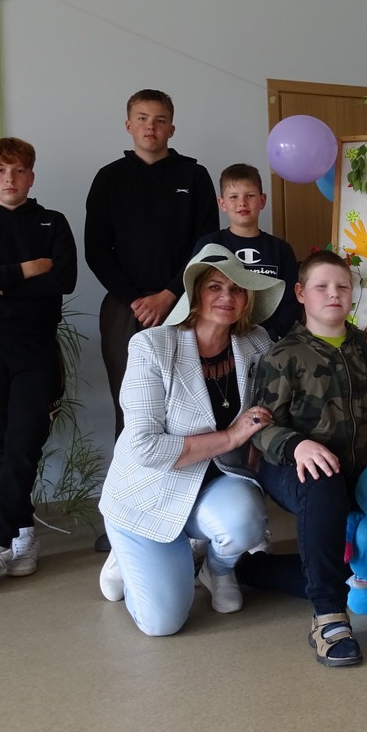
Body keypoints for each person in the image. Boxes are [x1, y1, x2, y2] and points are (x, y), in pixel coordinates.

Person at [96, 244, 283, 636]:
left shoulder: (256, 343)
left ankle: (217, 569)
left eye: (237, 288)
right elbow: (145, 446)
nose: (227, 297)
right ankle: (127, 552)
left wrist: (364, 339)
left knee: (245, 520)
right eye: (215, 286)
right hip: (150, 492)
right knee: (162, 624)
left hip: (213, 485)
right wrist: (230, 436)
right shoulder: (151, 346)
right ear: (196, 294)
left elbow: (295, 367)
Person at [248, 249, 367, 667]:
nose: (333, 294)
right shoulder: (283, 356)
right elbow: (259, 427)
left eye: (342, 286)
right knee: (323, 483)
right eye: (321, 286)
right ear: (301, 293)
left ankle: (251, 571)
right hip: (296, 471)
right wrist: (295, 445)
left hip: (361, 472)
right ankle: (329, 618)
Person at [84, 89, 218, 551]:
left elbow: (206, 244)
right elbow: (96, 249)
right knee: (133, 412)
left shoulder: (193, 176)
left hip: (184, 306)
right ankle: (127, 517)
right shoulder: (109, 178)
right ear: (128, 125)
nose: (150, 127)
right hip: (124, 310)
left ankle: (191, 516)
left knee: (191, 408)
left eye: (160, 120)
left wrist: (170, 294)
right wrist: (135, 299)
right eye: (142, 118)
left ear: (172, 128)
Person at [0, 137, 78, 593]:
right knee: (3, 442)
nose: (10, 178)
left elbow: (63, 280)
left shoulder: (52, 222)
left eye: (18, 170)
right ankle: (23, 534)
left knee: (24, 442)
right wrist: (26, 270)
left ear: (31, 176)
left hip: (36, 345)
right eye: (0, 170)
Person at [187, 164, 299, 340]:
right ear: (222, 204)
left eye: (250, 195)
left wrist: (273, 336)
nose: (242, 203)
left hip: (269, 341)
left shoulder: (280, 249)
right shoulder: (209, 245)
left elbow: (291, 301)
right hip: (218, 339)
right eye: (233, 197)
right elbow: (195, 295)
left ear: (262, 200)